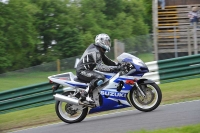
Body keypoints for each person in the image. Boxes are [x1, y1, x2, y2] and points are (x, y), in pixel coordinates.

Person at [76, 33, 125, 102]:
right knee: (100, 77)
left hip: (87, 70)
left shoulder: (98, 50)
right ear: (101, 42)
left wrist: (118, 65)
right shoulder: (95, 51)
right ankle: (85, 94)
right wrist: (116, 68)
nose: (108, 44)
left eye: (108, 42)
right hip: (82, 71)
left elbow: (107, 61)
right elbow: (100, 67)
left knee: (102, 76)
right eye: (106, 42)